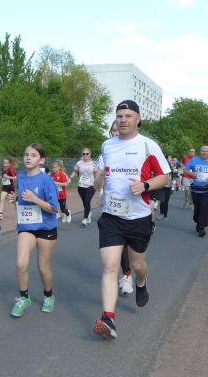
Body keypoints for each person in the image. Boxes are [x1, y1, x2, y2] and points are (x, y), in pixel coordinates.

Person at [92, 100, 171, 340]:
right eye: (119, 116)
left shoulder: (148, 145)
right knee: (110, 266)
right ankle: (108, 318)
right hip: (111, 216)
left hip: (138, 217)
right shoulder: (107, 145)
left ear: (138, 119)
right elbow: (101, 177)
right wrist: (99, 181)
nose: (123, 120)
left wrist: (145, 185)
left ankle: (141, 281)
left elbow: (164, 177)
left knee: (137, 265)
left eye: (128, 116)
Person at [9, 144, 59, 317]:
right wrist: (14, 198)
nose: (28, 157)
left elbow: (54, 208)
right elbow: (23, 200)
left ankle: (49, 295)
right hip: (27, 227)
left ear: (41, 160)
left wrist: (35, 199)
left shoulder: (46, 180)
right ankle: (24, 298)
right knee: (20, 263)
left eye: (33, 155)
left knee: (43, 267)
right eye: (26, 154)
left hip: (46, 227)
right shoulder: (20, 176)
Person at [97, 120, 133, 296]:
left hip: (131, 201)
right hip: (110, 204)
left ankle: (130, 273)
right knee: (117, 242)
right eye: (113, 131)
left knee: (129, 245)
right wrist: (101, 192)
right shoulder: (105, 152)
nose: (116, 134)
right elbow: (100, 180)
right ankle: (125, 275)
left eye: (118, 131)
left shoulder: (133, 150)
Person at [182, 145, 208, 237]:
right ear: (200, 152)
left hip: (207, 189)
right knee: (197, 209)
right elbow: (185, 169)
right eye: (203, 151)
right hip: (196, 190)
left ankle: (202, 227)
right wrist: (192, 173)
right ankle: (198, 222)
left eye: (206, 151)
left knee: (205, 209)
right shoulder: (194, 160)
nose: (204, 153)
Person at [71, 147, 98, 226]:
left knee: (87, 200)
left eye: (87, 153)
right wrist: (70, 178)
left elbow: (96, 174)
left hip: (91, 185)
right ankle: (88, 212)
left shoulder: (94, 163)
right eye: (84, 154)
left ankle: (86, 218)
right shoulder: (79, 163)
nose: (85, 155)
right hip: (81, 185)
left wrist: (98, 183)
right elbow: (75, 171)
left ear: (90, 154)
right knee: (85, 202)